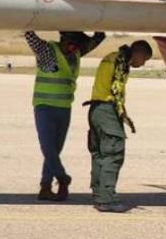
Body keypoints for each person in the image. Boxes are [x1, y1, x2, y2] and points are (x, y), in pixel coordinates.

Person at [25, 30, 106, 201]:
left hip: (64, 109)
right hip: (44, 107)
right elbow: (30, 36)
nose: (75, 49)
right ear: (64, 40)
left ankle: (45, 187)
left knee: (55, 150)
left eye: (77, 46)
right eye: (73, 45)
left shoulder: (75, 53)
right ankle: (62, 178)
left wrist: (96, 26)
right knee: (47, 148)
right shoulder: (47, 51)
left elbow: (97, 39)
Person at [86, 40, 153, 213]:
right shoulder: (122, 61)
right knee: (113, 153)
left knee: (99, 154)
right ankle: (107, 199)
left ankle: (99, 194)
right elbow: (116, 90)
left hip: (96, 109)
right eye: (144, 59)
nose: (142, 64)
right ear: (138, 53)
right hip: (107, 111)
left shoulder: (112, 56)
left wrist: (124, 116)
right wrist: (121, 113)